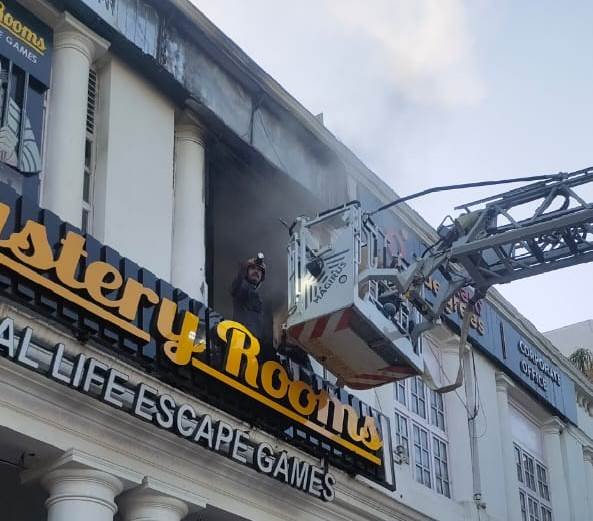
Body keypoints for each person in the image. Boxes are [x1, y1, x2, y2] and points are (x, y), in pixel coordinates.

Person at [231, 253, 266, 339]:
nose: (256, 271)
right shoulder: (242, 287)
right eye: (253, 268)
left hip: (253, 342)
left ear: (262, 277)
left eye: (259, 270)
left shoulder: (257, 297)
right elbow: (236, 288)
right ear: (246, 272)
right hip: (240, 340)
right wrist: (243, 269)